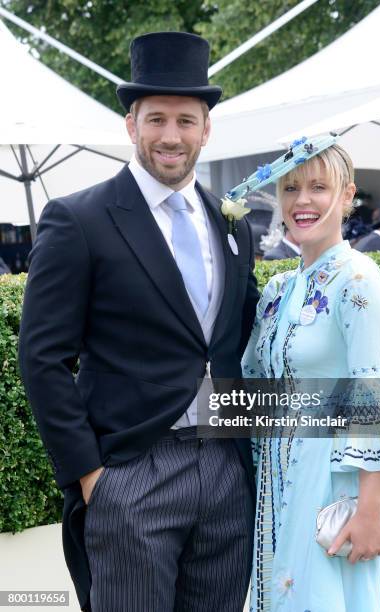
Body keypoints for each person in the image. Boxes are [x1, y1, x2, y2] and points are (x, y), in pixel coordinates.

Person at [18, 32, 258, 612]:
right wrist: (92, 477)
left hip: (226, 469)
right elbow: (42, 356)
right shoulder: (78, 219)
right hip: (131, 474)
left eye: (185, 120)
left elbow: (239, 342)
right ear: (131, 125)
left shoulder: (233, 225)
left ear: (206, 130)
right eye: (155, 119)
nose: (170, 136)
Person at [237, 136, 380, 611]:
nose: (302, 201)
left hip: (334, 490)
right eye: (291, 189)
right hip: (277, 486)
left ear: (347, 195)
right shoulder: (277, 288)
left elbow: (372, 387)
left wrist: (370, 511)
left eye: (318, 187)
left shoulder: (358, 279)